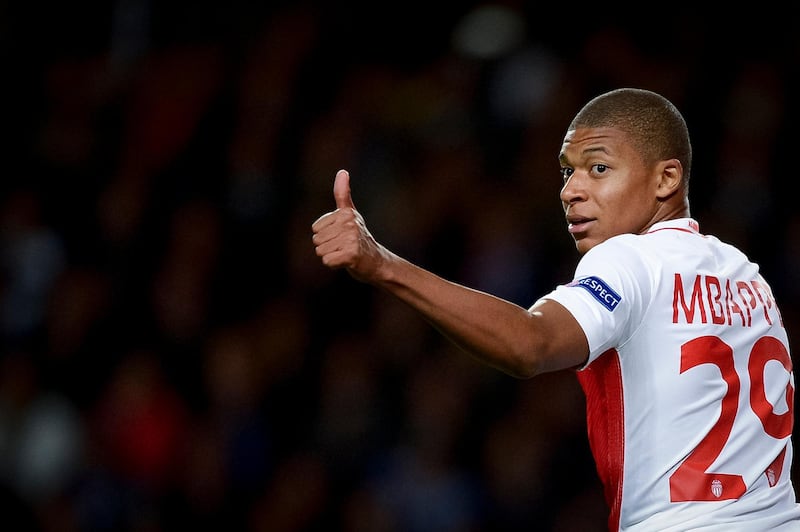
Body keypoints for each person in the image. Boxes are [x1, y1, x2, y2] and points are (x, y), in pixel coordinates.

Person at [311, 87, 800, 531]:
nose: (571, 190)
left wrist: (384, 265)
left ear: (666, 179)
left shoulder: (630, 258)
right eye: (568, 170)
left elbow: (531, 342)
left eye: (598, 167)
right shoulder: (747, 275)